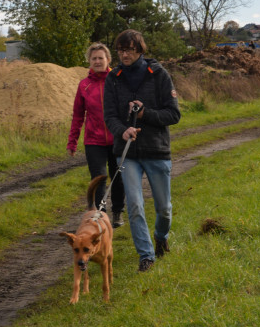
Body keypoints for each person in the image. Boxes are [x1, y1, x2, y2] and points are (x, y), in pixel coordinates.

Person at [102, 30, 181, 273]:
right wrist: (122, 130)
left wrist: (146, 114)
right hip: (127, 153)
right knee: (135, 205)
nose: (125, 54)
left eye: (130, 49)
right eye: (121, 50)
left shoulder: (159, 75)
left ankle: (160, 236)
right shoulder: (112, 78)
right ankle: (146, 256)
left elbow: (174, 114)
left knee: (164, 208)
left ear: (140, 50)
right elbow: (110, 116)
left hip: (157, 150)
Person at [67, 42, 126, 227]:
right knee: (99, 178)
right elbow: (78, 115)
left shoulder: (118, 80)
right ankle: (101, 215)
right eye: (94, 58)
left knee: (117, 176)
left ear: (108, 59)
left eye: (101, 58)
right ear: (89, 61)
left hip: (117, 137)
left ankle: (117, 212)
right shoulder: (84, 85)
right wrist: (72, 142)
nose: (98, 61)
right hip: (94, 140)